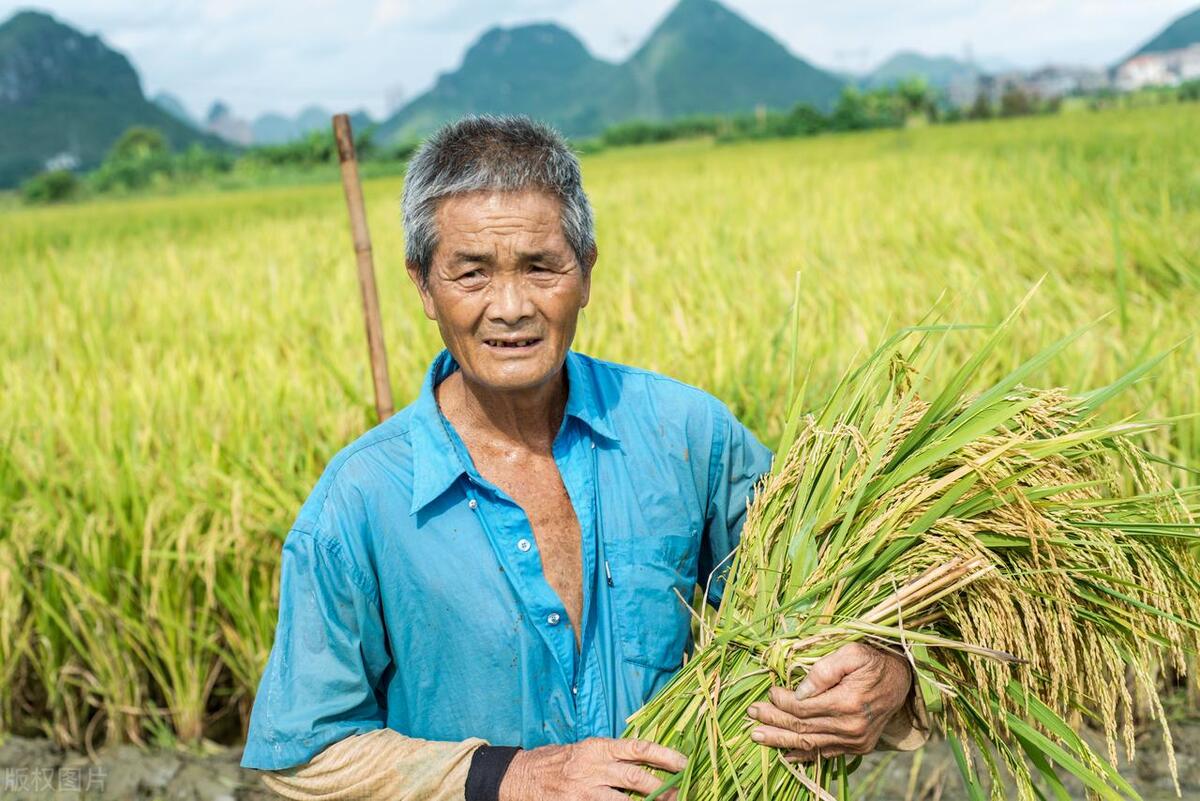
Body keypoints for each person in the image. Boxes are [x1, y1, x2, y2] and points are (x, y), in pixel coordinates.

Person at [240, 115, 927, 801]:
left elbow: (837, 595)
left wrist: (888, 670)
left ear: (586, 270)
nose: (510, 308)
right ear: (424, 286)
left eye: (541, 267)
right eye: (471, 273)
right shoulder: (360, 500)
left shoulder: (684, 434)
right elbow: (303, 751)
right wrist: (513, 775)